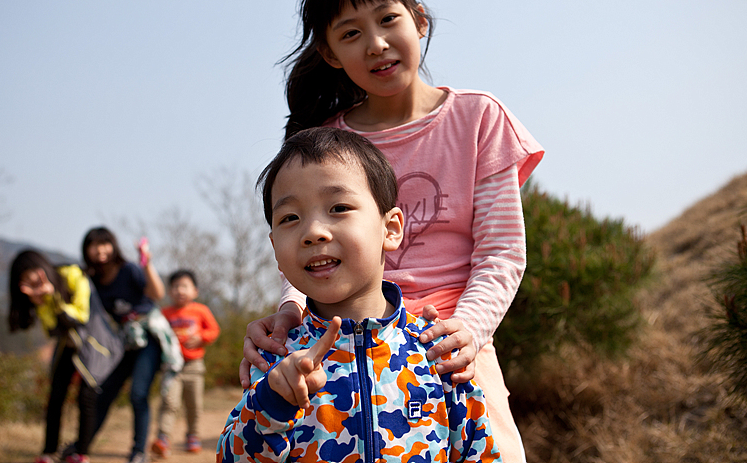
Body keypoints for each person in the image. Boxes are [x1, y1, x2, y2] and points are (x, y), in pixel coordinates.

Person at [242, 0, 544, 463]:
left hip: (449, 345)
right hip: (340, 338)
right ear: (330, 53)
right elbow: (308, 244)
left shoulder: (479, 119)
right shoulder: (325, 143)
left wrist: (468, 332)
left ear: (419, 20)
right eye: (350, 33)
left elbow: (501, 252)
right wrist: (290, 313)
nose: (376, 44)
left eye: (387, 19)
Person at [219, 127, 502, 463]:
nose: (313, 232)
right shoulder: (275, 358)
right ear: (275, 248)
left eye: (338, 207)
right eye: (290, 217)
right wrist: (272, 404)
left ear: (391, 229)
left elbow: (478, 453)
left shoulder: (437, 353)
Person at [9, 249, 124, 463]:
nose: (30, 280)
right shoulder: (41, 294)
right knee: (55, 397)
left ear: (41, 265)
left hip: (95, 345)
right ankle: (49, 452)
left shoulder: (73, 275)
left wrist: (53, 296)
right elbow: (52, 330)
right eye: (23, 279)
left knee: (86, 397)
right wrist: (41, 301)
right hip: (68, 345)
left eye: (30, 272)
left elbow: (80, 316)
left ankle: (81, 453)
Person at [82, 227, 174, 463]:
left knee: (138, 393)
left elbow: (157, 293)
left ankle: (138, 451)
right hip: (124, 341)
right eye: (94, 245)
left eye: (104, 243)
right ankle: (81, 446)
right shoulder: (92, 280)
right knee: (104, 392)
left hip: (149, 337)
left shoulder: (129, 269)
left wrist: (147, 264)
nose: (100, 250)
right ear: (87, 250)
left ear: (113, 245)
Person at [151, 269, 220, 458]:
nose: (180, 290)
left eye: (184, 286)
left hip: (194, 366)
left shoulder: (201, 311)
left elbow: (214, 330)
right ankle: (163, 439)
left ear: (195, 291)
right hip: (172, 367)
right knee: (169, 402)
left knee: (194, 405)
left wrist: (201, 337)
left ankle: (193, 436)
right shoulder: (164, 313)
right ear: (169, 291)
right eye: (175, 287)